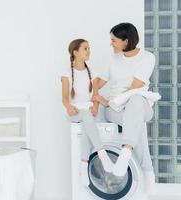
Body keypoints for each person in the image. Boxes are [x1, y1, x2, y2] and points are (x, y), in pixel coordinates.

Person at [92, 22, 156, 191]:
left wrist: (108, 101)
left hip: (140, 106)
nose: (110, 43)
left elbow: (136, 86)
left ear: (126, 41)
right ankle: (147, 171)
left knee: (135, 98)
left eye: (114, 40)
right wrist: (90, 85)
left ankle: (125, 152)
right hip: (115, 111)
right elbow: (99, 82)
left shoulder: (148, 57)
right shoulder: (112, 59)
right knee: (136, 125)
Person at [60, 39, 114, 187]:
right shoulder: (66, 72)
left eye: (89, 48)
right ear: (75, 52)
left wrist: (95, 107)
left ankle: (84, 165)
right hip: (75, 111)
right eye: (85, 48)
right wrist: (68, 106)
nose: (88, 51)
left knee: (86, 124)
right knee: (85, 115)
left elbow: (95, 95)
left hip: (89, 112)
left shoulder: (93, 72)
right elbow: (64, 97)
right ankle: (102, 153)